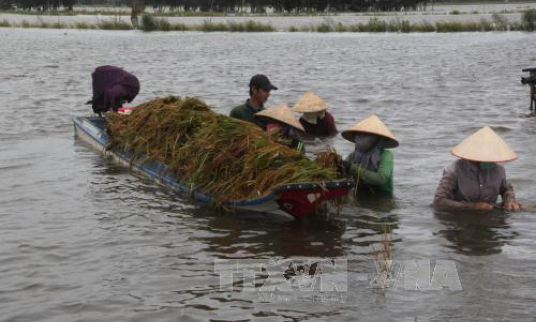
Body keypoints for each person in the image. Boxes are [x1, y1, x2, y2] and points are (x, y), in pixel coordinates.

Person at [433, 126, 521, 211]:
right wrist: (472, 207)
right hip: (460, 219)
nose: (492, 160)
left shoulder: (499, 170)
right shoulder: (454, 170)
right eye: (488, 156)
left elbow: (506, 188)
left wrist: (510, 200)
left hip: (490, 218)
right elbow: (439, 201)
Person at [341, 115, 399, 194]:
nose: (360, 138)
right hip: (360, 195)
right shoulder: (354, 155)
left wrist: (353, 168)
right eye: (359, 134)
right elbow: (343, 169)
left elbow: (381, 178)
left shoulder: (386, 155)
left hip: (382, 198)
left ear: (377, 138)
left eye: (365, 135)